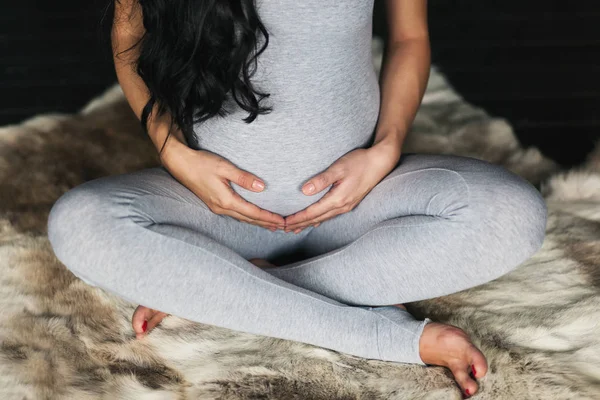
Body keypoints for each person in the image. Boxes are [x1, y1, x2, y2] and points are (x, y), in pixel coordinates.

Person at [46, 0, 547, 397]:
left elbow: (410, 36)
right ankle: (391, 339)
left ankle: (223, 292)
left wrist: (386, 147)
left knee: (511, 213)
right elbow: (128, 34)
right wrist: (174, 153)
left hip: (357, 202)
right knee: (80, 221)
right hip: (210, 210)